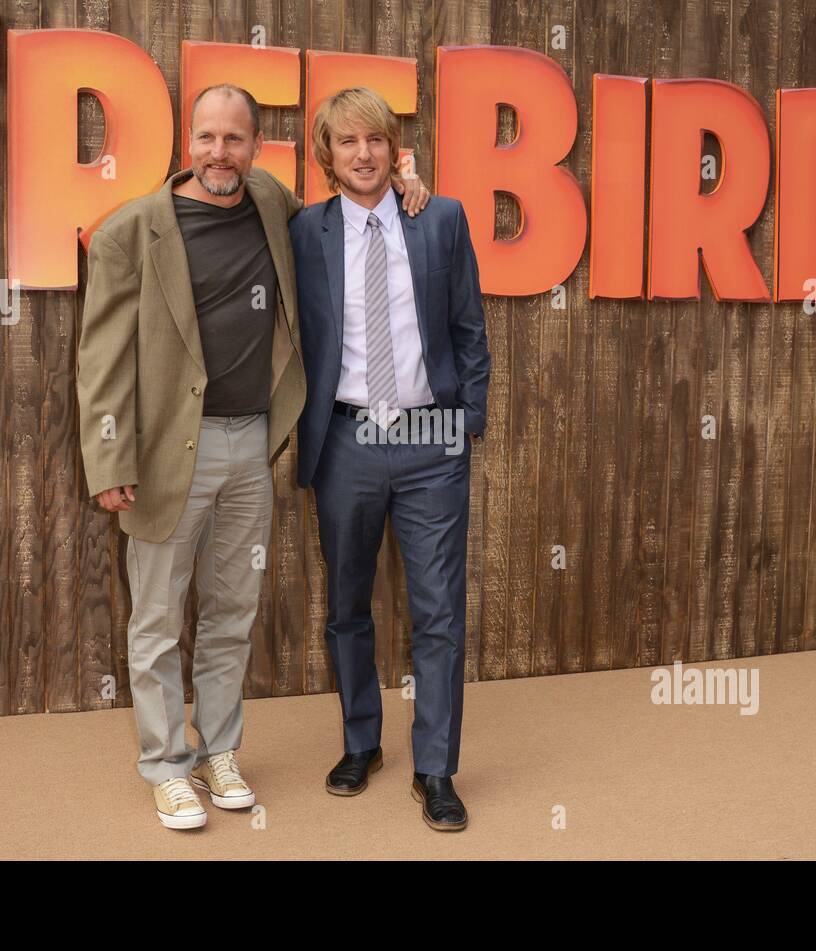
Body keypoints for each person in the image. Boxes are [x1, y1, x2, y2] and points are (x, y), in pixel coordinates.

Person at [77, 84, 428, 830]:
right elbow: (101, 360)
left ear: (256, 147)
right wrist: (110, 462)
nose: (219, 154)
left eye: (234, 140)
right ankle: (167, 766)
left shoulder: (274, 203)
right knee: (158, 618)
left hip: (249, 446)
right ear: (187, 143)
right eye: (207, 138)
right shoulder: (132, 232)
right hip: (167, 452)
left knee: (233, 613)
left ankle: (219, 751)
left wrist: (401, 178)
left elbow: (350, 206)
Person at [289, 87, 491, 831]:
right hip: (345, 439)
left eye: (376, 139)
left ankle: (436, 768)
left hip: (428, 440)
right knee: (347, 605)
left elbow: (469, 324)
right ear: (327, 155)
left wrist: (464, 421)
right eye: (347, 142)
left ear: (394, 147)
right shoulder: (303, 231)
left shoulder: (438, 218)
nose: (363, 154)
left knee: (438, 612)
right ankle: (361, 742)